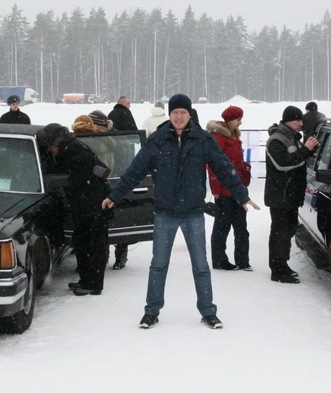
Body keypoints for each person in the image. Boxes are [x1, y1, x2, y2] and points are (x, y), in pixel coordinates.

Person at [102, 93, 260, 330]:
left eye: (182, 112)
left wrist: (242, 195)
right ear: (170, 114)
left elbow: (224, 168)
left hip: (193, 212)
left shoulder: (203, 139)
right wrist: (116, 195)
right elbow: (135, 170)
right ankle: (151, 311)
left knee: (201, 265)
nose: (178, 116)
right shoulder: (157, 140)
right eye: (175, 112)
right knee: (158, 265)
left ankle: (208, 311)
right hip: (165, 212)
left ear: (189, 114)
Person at [41, 123, 113, 296]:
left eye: (50, 146)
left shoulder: (73, 152)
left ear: (56, 141)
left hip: (93, 207)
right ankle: (86, 281)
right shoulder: (72, 148)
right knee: (83, 244)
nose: (50, 150)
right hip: (90, 205)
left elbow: (74, 178)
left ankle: (93, 285)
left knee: (92, 246)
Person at [265, 105, 319, 284]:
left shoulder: (292, 138)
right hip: (280, 195)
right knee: (279, 232)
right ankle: (277, 270)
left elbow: (298, 159)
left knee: (288, 231)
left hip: (291, 195)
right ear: (288, 120)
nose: (301, 123)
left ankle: (283, 264)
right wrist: (305, 150)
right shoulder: (276, 140)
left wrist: (309, 150)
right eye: (298, 120)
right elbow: (283, 164)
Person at [207, 105, 252, 271]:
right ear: (229, 120)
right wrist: (217, 190)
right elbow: (213, 166)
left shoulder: (233, 136)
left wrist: (244, 169)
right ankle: (219, 260)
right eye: (238, 119)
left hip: (237, 188)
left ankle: (243, 260)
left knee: (241, 227)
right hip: (225, 191)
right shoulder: (219, 137)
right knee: (222, 227)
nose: (240, 123)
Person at [90, 109, 133, 270]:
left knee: (118, 219)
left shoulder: (116, 138)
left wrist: (120, 179)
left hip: (115, 181)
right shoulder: (89, 137)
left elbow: (125, 160)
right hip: (98, 184)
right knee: (102, 221)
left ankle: (121, 255)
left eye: (95, 125)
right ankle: (104, 254)